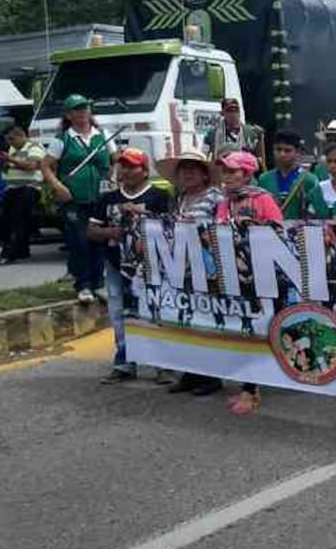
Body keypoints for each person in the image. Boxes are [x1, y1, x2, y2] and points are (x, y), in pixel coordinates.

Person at [89, 148, 171, 384]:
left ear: (144, 170)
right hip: (116, 265)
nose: (126, 170)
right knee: (120, 315)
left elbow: (171, 227)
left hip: (152, 267)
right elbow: (91, 230)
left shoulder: (159, 196)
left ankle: (162, 366)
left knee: (155, 313)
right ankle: (124, 362)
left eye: (132, 165)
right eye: (122, 165)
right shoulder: (108, 199)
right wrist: (111, 232)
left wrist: (142, 214)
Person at [216, 151, 284, 416]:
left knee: (259, 328)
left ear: (248, 174)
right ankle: (251, 383)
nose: (228, 176)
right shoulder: (224, 202)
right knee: (242, 329)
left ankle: (251, 388)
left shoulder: (263, 199)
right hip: (234, 275)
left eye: (234, 171)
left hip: (262, 276)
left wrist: (252, 228)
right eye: (225, 171)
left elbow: (279, 233)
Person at [158, 150, 226, 396]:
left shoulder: (216, 197)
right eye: (184, 168)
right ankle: (189, 373)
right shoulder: (180, 199)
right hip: (182, 269)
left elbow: (223, 228)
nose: (188, 173)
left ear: (205, 174)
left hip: (207, 269)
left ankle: (211, 376)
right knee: (184, 320)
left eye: (193, 168)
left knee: (206, 321)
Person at [42, 94, 116, 303]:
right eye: (76, 109)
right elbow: (46, 166)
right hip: (74, 198)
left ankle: (98, 283)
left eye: (85, 108)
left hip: (100, 197)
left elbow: (116, 160)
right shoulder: (63, 139)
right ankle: (82, 284)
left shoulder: (102, 135)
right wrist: (58, 186)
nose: (82, 113)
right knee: (80, 240)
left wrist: (114, 177)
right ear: (68, 115)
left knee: (99, 240)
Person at [0, 126, 44, 265]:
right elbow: (10, 168)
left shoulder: (34, 147)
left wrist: (10, 159)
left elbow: (31, 166)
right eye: (7, 140)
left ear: (21, 136)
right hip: (12, 188)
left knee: (17, 219)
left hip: (29, 188)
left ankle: (8, 253)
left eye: (12, 139)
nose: (10, 142)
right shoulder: (12, 149)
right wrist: (2, 163)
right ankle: (22, 250)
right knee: (5, 219)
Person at [258, 128, 321, 220]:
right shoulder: (264, 179)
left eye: (287, 151)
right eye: (278, 149)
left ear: (298, 152)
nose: (282, 154)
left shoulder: (309, 180)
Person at [203, 97, 265, 166]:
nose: (233, 114)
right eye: (229, 111)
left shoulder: (250, 133)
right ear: (223, 113)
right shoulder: (212, 135)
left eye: (236, 110)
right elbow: (204, 156)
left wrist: (260, 138)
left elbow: (260, 160)